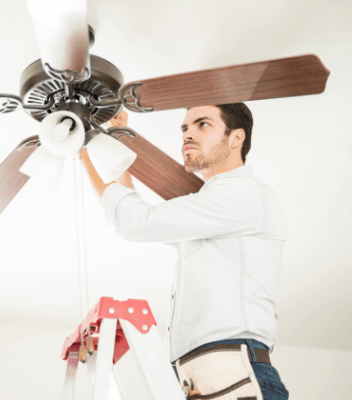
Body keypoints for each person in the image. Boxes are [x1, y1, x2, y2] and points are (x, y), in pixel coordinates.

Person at [80, 104, 289, 400]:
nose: (188, 134)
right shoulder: (215, 213)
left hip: (232, 375)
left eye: (202, 124)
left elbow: (134, 222)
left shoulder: (244, 194)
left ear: (236, 138)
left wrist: (84, 148)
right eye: (185, 128)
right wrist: (113, 144)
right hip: (204, 378)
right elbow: (139, 217)